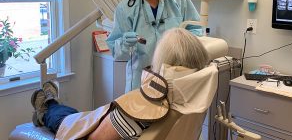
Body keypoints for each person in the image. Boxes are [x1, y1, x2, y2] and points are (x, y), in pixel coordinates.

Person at [31, 28, 218, 140]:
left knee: (68, 119)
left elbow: (94, 138)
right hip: (122, 115)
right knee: (81, 116)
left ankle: (46, 106)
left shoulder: (143, 110)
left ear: (161, 60)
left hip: (111, 120)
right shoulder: (195, 101)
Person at [106, 0, 201, 92]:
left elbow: (196, 31)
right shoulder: (125, 8)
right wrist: (124, 44)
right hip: (140, 84)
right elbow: (117, 53)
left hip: (174, 81)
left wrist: (184, 42)